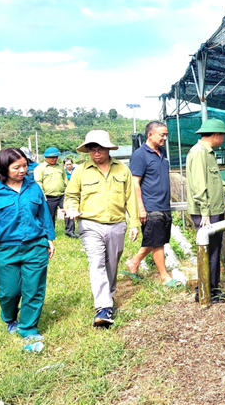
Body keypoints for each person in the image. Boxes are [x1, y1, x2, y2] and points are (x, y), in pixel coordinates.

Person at [0, 148, 56, 341]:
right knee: (9, 292)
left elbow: (44, 213)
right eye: (16, 167)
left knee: (34, 289)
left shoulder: (33, 187)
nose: (22, 170)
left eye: (25, 166)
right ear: (3, 168)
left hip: (35, 246)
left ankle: (28, 328)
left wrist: (49, 238)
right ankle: (10, 318)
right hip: (5, 249)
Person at [63, 130, 140, 328]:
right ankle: (103, 307)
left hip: (116, 224)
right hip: (90, 224)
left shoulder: (122, 169)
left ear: (108, 149)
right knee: (96, 262)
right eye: (92, 150)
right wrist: (71, 207)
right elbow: (71, 195)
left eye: (100, 149)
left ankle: (109, 297)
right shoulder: (80, 170)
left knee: (111, 263)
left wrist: (134, 223)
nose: (96, 154)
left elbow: (131, 198)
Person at [186, 119, 225, 302]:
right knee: (209, 250)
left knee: (214, 250)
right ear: (217, 135)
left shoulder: (208, 153)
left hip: (213, 209)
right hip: (207, 211)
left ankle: (212, 288)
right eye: (223, 135)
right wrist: (204, 211)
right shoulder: (199, 153)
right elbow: (198, 185)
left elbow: (216, 180)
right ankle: (204, 292)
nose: (224, 139)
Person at [124, 121, 180, 287]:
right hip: (150, 205)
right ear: (150, 134)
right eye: (162, 134)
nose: (165, 138)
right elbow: (135, 183)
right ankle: (164, 276)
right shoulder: (140, 155)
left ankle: (134, 262)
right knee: (157, 242)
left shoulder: (162, 153)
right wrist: (141, 208)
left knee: (158, 238)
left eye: (166, 135)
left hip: (164, 204)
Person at [33, 147, 66, 232]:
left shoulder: (61, 167)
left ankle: (70, 231)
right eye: (52, 157)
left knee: (68, 212)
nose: (54, 159)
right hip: (49, 197)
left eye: (56, 157)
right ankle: (51, 232)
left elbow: (65, 180)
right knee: (50, 216)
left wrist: (68, 192)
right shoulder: (39, 168)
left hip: (62, 195)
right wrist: (42, 195)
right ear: (46, 157)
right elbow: (38, 182)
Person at [63, 157, 78, 237]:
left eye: (70, 164)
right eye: (67, 164)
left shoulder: (76, 171)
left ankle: (71, 230)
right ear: (64, 165)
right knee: (67, 211)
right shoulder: (64, 172)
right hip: (66, 193)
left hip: (76, 193)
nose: (69, 166)